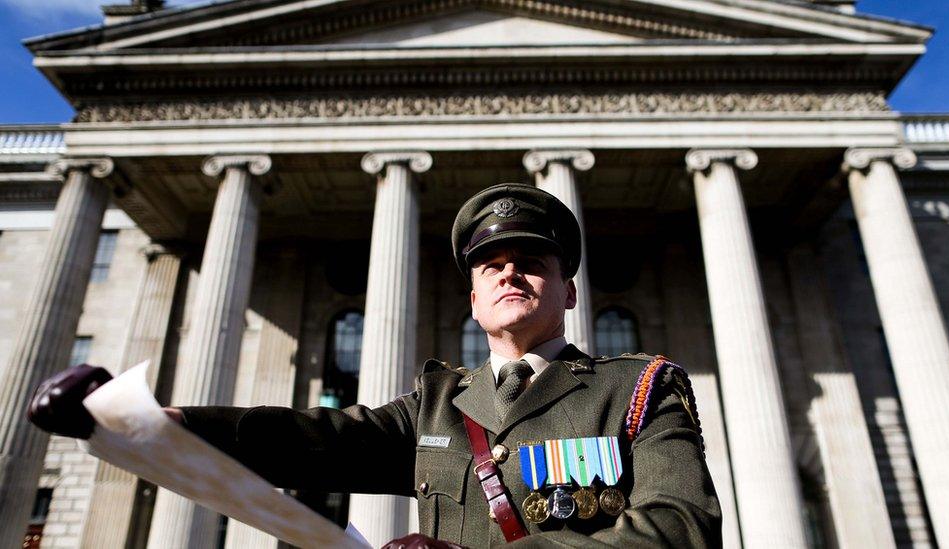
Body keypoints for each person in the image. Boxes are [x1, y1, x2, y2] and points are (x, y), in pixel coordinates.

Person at [30, 183, 721, 548]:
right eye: (492, 265)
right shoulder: (437, 407)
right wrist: (148, 419)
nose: (511, 271)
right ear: (474, 299)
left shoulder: (637, 389)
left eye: (533, 262)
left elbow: (681, 529)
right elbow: (310, 440)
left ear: (568, 291)